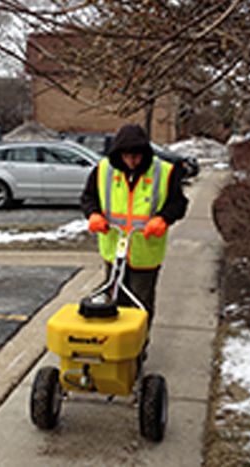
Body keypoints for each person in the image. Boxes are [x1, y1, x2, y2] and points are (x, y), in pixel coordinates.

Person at [80, 124, 188, 326]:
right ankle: (116, 344)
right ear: (118, 153)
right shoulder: (103, 170)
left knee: (141, 305)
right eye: (127, 156)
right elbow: (88, 197)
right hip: (114, 250)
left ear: (145, 153)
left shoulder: (165, 172)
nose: (132, 161)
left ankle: (138, 347)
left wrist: (163, 218)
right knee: (114, 303)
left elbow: (179, 204)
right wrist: (93, 214)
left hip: (145, 252)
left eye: (137, 156)